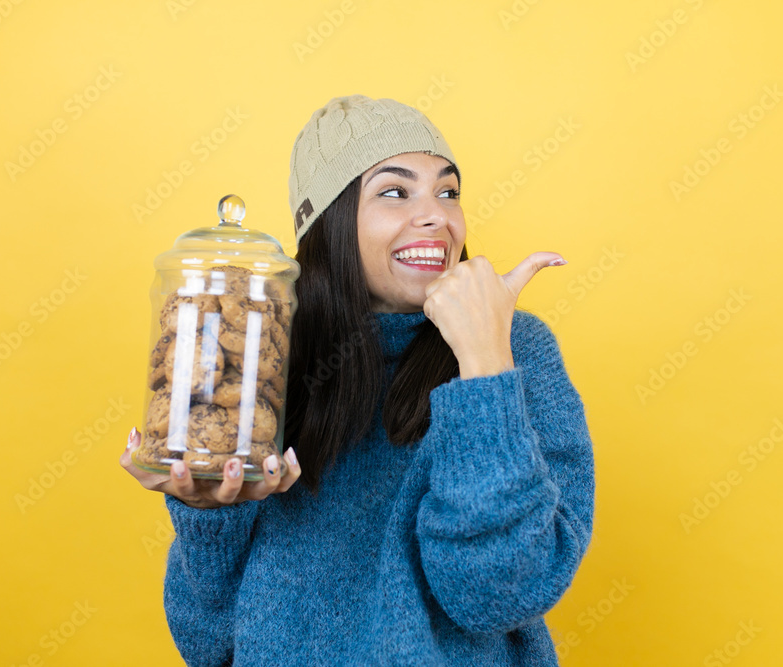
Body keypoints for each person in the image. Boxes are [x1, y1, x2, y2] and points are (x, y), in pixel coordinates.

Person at [121, 94, 595, 666]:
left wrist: (485, 363)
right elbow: (208, 644)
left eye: (448, 192)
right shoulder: (262, 354)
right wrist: (208, 517)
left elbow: (497, 597)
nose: (436, 216)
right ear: (329, 221)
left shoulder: (517, 350)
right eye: (395, 192)